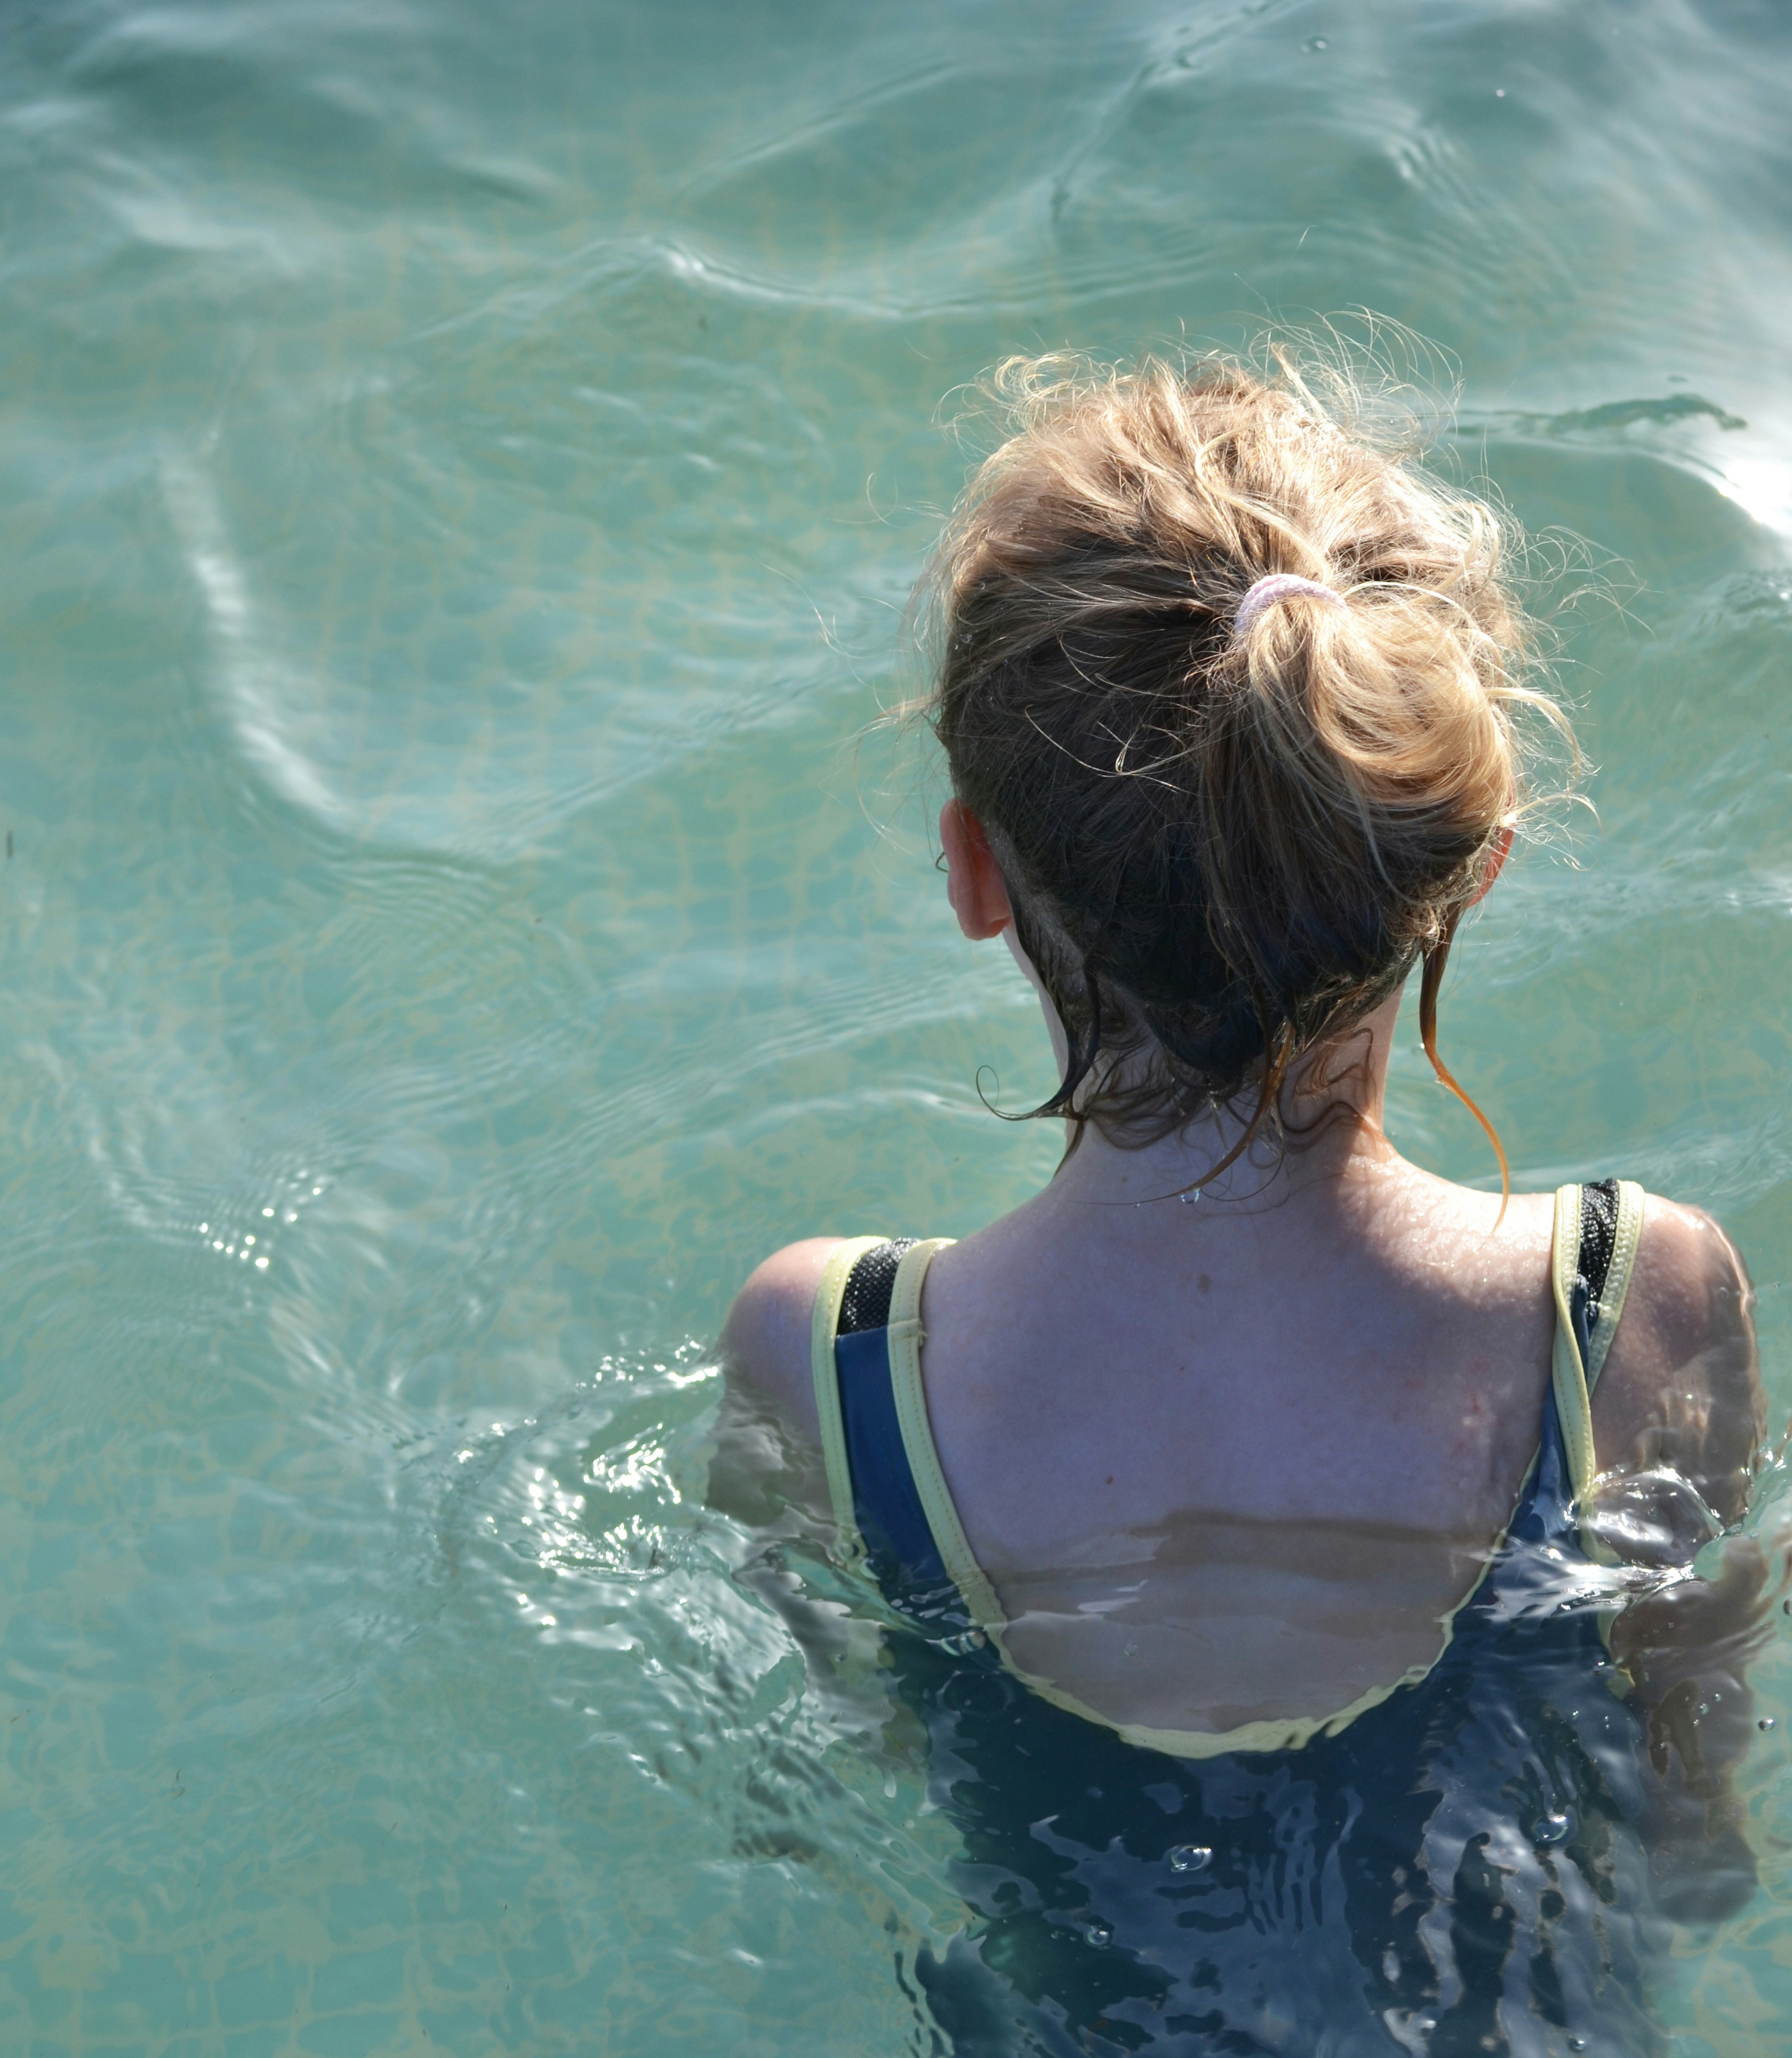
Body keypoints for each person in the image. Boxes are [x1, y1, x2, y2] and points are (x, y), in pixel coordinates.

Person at [719, 352, 1766, 2054]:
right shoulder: (1633, 1302)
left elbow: (824, 1808)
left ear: (978, 870)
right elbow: (1699, 1846)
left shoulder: (830, 1362)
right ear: (1466, 870)